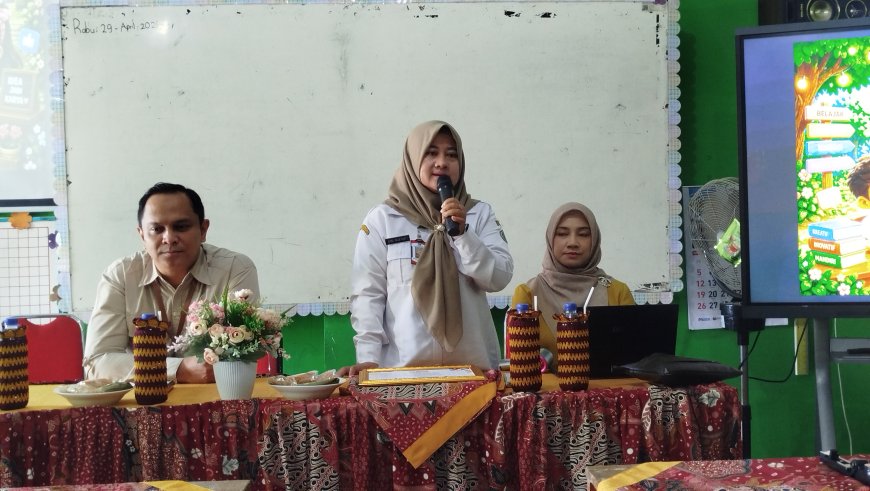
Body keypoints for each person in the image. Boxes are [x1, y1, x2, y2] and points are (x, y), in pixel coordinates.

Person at [339, 120, 513, 376]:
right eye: (431, 153)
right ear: (413, 159)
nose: (442, 163)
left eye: (451, 155)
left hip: (472, 371)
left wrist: (464, 235)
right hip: (402, 374)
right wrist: (368, 358)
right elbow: (368, 294)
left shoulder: (479, 214)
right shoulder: (383, 220)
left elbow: (499, 277)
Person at [83, 182, 259, 383]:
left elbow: (241, 353)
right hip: (144, 398)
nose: (169, 238)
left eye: (181, 227)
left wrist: (149, 368)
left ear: (203, 230)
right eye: (157, 229)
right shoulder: (120, 276)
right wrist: (179, 369)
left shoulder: (234, 269)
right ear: (142, 235)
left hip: (214, 396)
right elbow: (97, 363)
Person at [511, 202, 634, 359]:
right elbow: (520, 359)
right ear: (550, 238)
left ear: (595, 240)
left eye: (583, 234)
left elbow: (633, 357)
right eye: (562, 234)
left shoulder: (618, 292)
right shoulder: (528, 294)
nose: (573, 243)